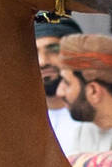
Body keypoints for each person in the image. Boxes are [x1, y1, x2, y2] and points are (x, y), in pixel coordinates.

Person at [35, 17, 84, 152]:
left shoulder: (97, 115)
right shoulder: (17, 122)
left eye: (54, 49)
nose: (42, 62)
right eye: (33, 52)